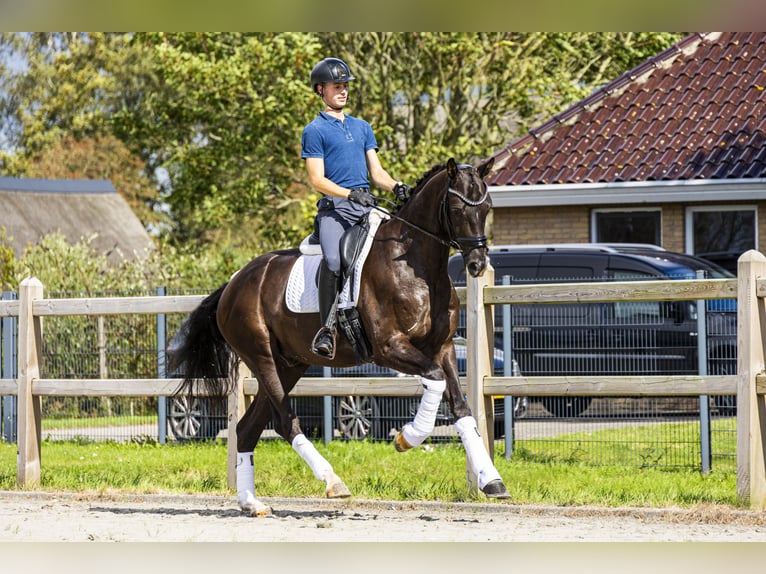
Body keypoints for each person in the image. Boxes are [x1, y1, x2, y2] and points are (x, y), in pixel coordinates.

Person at [302, 57, 410, 358]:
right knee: (335, 262)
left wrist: (396, 186)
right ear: (320, 90)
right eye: (337, 86)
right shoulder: (314, 130)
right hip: (335, 210)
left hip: (364, 207)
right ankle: (326, 329)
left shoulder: (362, 127)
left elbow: (376, 173)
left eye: (345, 86)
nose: (343, 91)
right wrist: (350, 194)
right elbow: (316, 179)